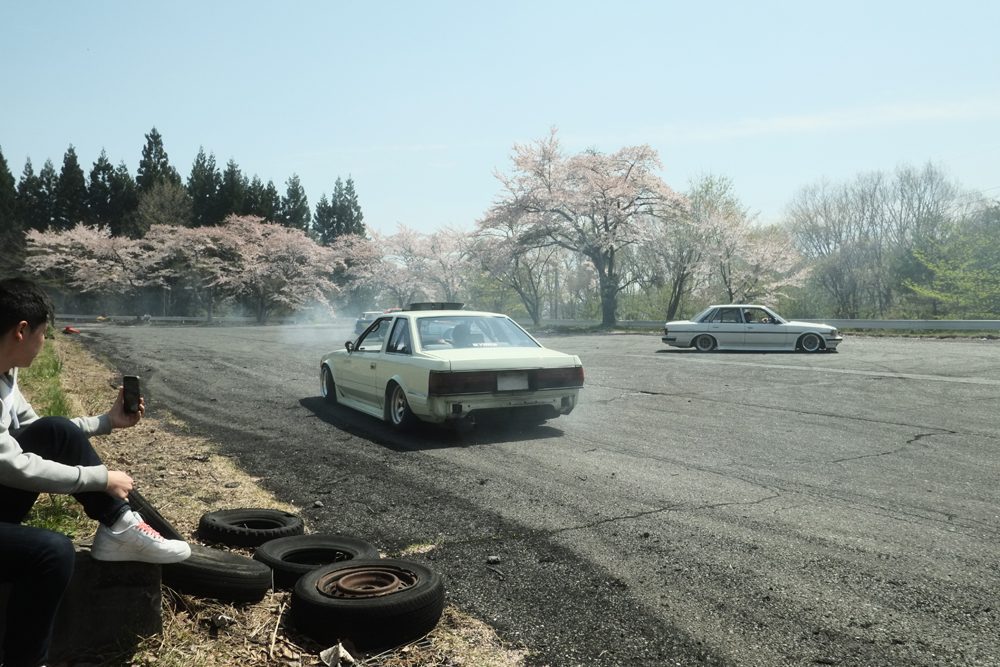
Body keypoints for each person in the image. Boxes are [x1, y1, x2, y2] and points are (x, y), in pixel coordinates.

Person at [0, 278, 190, 667]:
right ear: (22, 331)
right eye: (43, 335)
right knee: (52, 552)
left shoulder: (5, 373)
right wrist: (101, 479)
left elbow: (44, 430)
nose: (44, 343)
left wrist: (106, 421)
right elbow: (9, 463)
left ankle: (119, 526)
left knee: (55, 430)